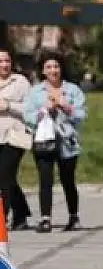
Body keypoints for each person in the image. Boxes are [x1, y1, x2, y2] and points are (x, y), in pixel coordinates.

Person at [23, 51, 86, 233]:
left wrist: (68, 107)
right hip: (44, 140)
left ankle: (73, 216)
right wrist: (43, 111)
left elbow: (82, 115)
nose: (53, 70)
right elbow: (28, 116)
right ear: (43, 71)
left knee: (68, 180)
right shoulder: (36, 92)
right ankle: (45, 218)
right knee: (45, 180)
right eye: (49, 67)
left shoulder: (73, 90)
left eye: (56, 66)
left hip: (68, 142)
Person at [0, 46, 33, 230]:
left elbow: (30, 108)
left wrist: (8, 106)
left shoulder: (20, 82)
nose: (4, 65)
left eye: (7, 61)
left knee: (4, 175)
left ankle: (2, 217)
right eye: (0, 61)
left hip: (15, 135)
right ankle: (21, 214)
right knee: (8, 177)